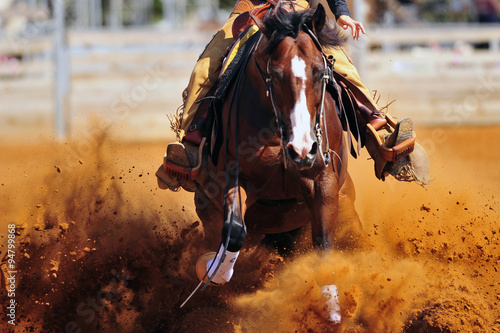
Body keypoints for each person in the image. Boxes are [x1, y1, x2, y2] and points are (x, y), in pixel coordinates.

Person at [156, 0, 429, 191]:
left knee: (340, 65)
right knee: (205, 69)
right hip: (251, 10)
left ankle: (378, 132)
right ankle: (191, 146)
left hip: (297, 9)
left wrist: (341, 12)